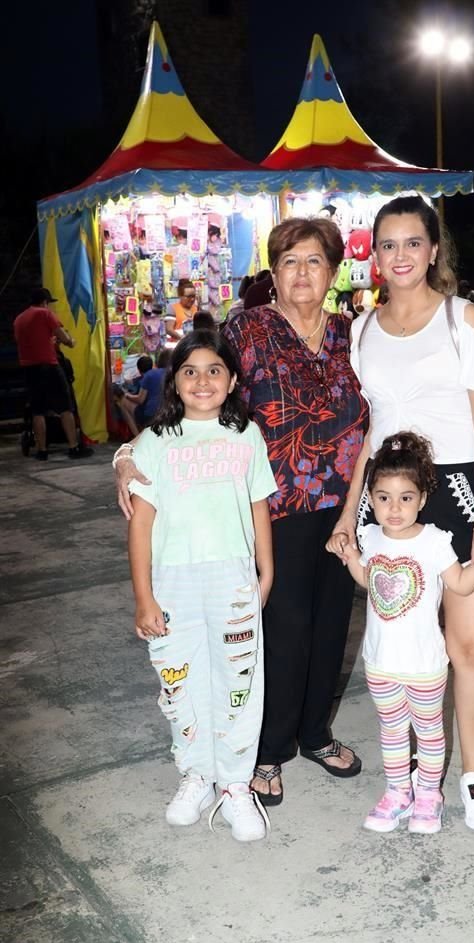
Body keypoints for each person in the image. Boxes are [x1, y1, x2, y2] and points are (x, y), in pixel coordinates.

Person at [115, 217, 370, 807]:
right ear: (273, 274)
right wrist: (126, 455)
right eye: (289, 261)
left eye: (313, 261)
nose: (302, 272)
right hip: (271, 508)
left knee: (333, 625)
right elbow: (193, 397)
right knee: (281, 631)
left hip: (345, 505)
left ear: (333, 272)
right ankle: (267, 751)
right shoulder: (248, 330)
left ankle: (315, 734)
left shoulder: (353, 333)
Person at [327, 195, 474, 831]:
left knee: (471, 644)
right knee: (401, 646)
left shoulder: (464, 319)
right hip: (390, 502)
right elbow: (367, 434)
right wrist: (351, 516)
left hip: (461, 490)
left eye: (412, 242)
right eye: (388, 244)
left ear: (433, 250)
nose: (400, 255)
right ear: (372, 255)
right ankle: (408, 782)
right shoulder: (360, 330)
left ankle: (472, 775)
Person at [127, 329, 277, 841]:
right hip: (173, 583)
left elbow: (259, 504)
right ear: (174, 383)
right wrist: (144, 596)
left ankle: (236, 784)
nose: (203, 380)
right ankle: (197, 774)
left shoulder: (245, 435)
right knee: (179, 683)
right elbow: (140, 524)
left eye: (215, 370)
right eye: (190, 371)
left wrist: (267, 569)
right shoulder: (153, 444)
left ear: (233, 380)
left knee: (239, 682)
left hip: (232, 577)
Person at [340, 432, 474, 834]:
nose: (394, 509)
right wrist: (349, 556)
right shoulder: (371, 536)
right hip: (380, 662)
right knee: (392, 731)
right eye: (382, 498)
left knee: (430, 733)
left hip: (424, 665)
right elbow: (370, 579)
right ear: (371, 497)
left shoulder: (435, 542)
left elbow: (462, 585)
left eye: (405, 498)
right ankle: (398, 791)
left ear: (423, 499)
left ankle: (428, 794)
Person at [13, 287, 93, 460]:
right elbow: (64, 338)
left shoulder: (19, 319)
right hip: (49, 366)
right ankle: (73, 447)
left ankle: (42, 451)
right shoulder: (45, 314)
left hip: (29, 369)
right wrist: (71, 340)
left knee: (37, 410)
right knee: (65, 407)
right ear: (44, 302)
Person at [123, 353, 168, 429]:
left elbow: (140, 400)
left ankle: (137, 434)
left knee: (123, 402)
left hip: (151, 416)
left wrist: (127, 395)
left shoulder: (149, 375)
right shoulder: (174, 375)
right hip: (168, 414)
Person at [164, 281, 197, 346]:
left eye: (194, 296)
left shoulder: (195, 308)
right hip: (177, 346)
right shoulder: (173, 308)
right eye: (189, 297)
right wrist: (183, 338)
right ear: (180, 296)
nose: (192, 299)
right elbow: (169, 329)